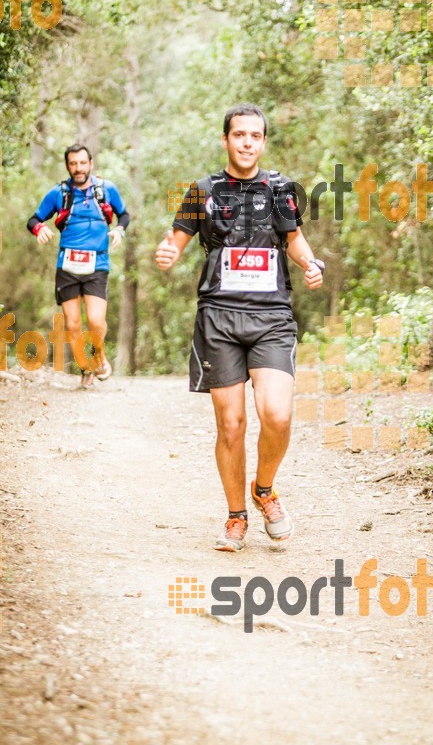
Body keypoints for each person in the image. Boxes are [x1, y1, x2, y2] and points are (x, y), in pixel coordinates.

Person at [155, 103, 324, 551]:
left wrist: (309, 262)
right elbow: (176, 238)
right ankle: (235, 518)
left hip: (271, 318)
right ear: (226, 139)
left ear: (263, 142)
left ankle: (264, 488)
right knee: (230, 426)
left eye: (255, 135)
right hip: (219, 318)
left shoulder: (281, 188)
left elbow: (293, 239)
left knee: (278, 414)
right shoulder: (203, 190)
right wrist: (167, 252)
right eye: (239, 135)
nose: (247, 142)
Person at [27, 144, 130, 387]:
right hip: (68, 266)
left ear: (91, 164)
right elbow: (33, 219)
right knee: (73, 325)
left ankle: (99, 358)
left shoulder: (106, 189)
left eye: (82, 163)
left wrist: (119, 230)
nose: (78, 168)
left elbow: (124, 215)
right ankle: (86, 369)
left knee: (95, 320)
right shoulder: (59, 193)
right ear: (67, 166)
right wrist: (39, 228)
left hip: (98, 264)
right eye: (73, 164)